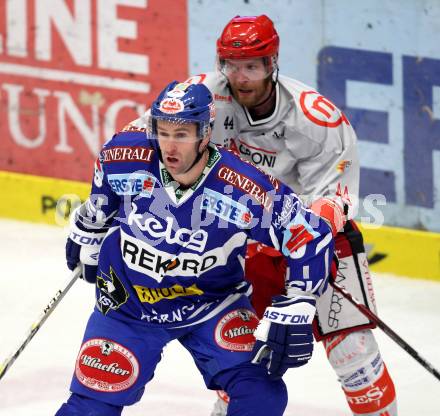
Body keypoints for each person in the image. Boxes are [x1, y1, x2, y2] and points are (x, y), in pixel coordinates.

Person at [56, 80, 334, 415]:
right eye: (163, 132)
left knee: (261, 394)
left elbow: (310, 234)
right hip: (128, 305)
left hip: (212, 304)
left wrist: (301, 300)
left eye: (182, 134)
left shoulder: (244, 187)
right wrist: (87, 230)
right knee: (89, 408)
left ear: (205, 134)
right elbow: (101, 202)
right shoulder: (122, 157)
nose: (170, 146)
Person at [185, 15, 397, 416]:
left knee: (353, 355)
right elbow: (150, 137)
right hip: (245, 248)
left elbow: (333, 200)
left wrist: (303, 268)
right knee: (241, 361)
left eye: (251, 65)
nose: (241, 76)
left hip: (319, 244)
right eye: (231, 65)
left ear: (271, 63)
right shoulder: (203, 99)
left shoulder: (316, 120)